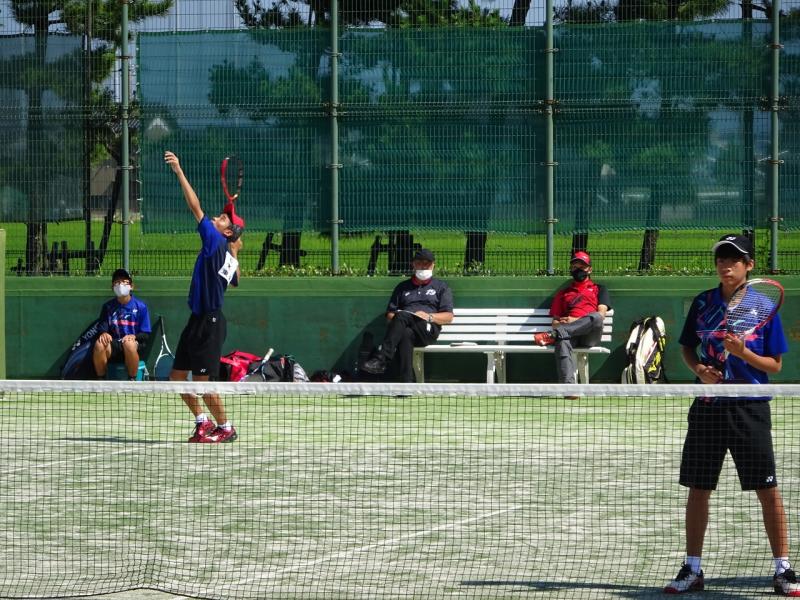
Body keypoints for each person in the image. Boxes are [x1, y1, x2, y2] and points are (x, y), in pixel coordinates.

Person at [664, 234, 799, 596]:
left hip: (748, 407)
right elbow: (687, 348)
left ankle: (783, 569)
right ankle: (692, 568)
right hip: (708, 406)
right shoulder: (703, 302)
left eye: (734, 260)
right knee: (699, 488)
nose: (726, 266)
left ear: (748, 265)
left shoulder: (763, 305)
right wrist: (699, 370)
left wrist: (742, 354)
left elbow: (774, 365)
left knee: (767, 489)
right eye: (721, 259)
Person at [164, 150, 244, 444]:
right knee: (176, 380)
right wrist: (235, 250)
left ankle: (226, 427)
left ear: (226, 231)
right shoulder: (224, 249)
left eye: (222, 218)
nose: (215, 217)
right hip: (196, 320)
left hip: (210, 323)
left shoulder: (213, 240)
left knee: (202, 382)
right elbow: (236, 280)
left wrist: (179, 171)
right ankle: (202, 422)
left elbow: (194, 206)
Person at [360, 248, 454, 382]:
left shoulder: (441, 287)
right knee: (405, 333)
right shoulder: (402, 287)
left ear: (433, 265)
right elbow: (390, 315)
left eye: (427, 264)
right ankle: (407, 381)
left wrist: (429, 316)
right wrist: (402, 318)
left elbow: (448, 317)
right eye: (419, 263)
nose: (423, 267)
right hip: (405, 329)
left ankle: (381, 358)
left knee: (403, 316)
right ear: (413, 264)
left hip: (427, 330)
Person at [532, 251, 611, 384]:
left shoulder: (599, 289)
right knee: (562, 342)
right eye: (574, 267)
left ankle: (556, 335)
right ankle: (569, 388)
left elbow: (601, 314)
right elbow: (555, 322)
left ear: (589, 269)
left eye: (582, 267)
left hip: (590, 335)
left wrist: (573, 321)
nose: (578, 270)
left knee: (596, 317)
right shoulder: (563, 293)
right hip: (570, 336)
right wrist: (560, 326)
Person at [92, 268, 151, 380]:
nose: (120, 285)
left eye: (124, 282)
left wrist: (134, 336)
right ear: (112, 287)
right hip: (114, 345)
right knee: (99, 344)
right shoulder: (108, 306)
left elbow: (146, 334)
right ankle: (101, 379)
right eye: (117, 282)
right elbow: (102, 328)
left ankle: (132, 379)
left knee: (129, 344)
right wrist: (104, 333)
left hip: (132, 345)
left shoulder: (141, 306)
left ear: (131, 286)